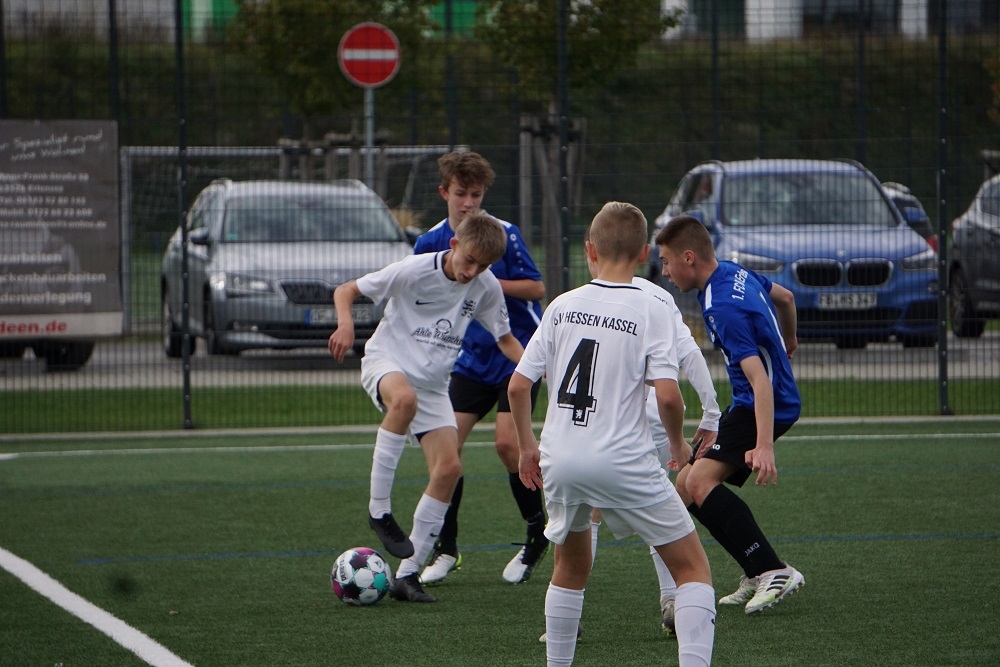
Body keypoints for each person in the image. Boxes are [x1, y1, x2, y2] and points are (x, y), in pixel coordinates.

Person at [510, 202, 716, 666]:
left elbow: (518, 385)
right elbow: (668, 397)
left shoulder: (561, 305)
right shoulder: (651, 306)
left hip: (561, 459)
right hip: (622, 459)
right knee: (692, 568)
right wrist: (678, 443)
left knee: (570, 568)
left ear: (590, 250)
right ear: (644, 254)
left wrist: (527, 447)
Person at [328, 211, 523, 603]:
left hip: (434, 385)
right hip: (388, 363)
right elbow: (346, 290)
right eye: (469, 260)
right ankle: (379, 511)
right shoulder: (414, 269)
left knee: (449, 469)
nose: (473, 272)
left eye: (483, 266)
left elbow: (505, 339)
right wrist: (345, 324)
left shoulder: (485, 286)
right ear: (454, 245)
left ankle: (407, 574)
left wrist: (536, 368)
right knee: (404, 401)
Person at [654, 213, 805, 615]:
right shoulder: (735, 272)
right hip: (753, 402)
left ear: (688, 258)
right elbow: (786, 298)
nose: (664, 272)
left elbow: (760, 381)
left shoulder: (721, 307)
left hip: (765, 404)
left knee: (698, 481)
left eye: (666, 261)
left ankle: (773, 569)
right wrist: (789, 339)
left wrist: (764, 445)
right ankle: (755, 571)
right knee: (686, 485)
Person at [412, 150, 549, 586]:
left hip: (514, 352)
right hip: (467, 359)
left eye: (476, 194)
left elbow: (536, 287)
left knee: (508, 445)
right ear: (444, 193)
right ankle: (446, 548)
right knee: (445, 453)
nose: (468, 203)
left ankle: (537, 534)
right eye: (460, 194)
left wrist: (482, 276)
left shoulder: (502, 234)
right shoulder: (429, 242)